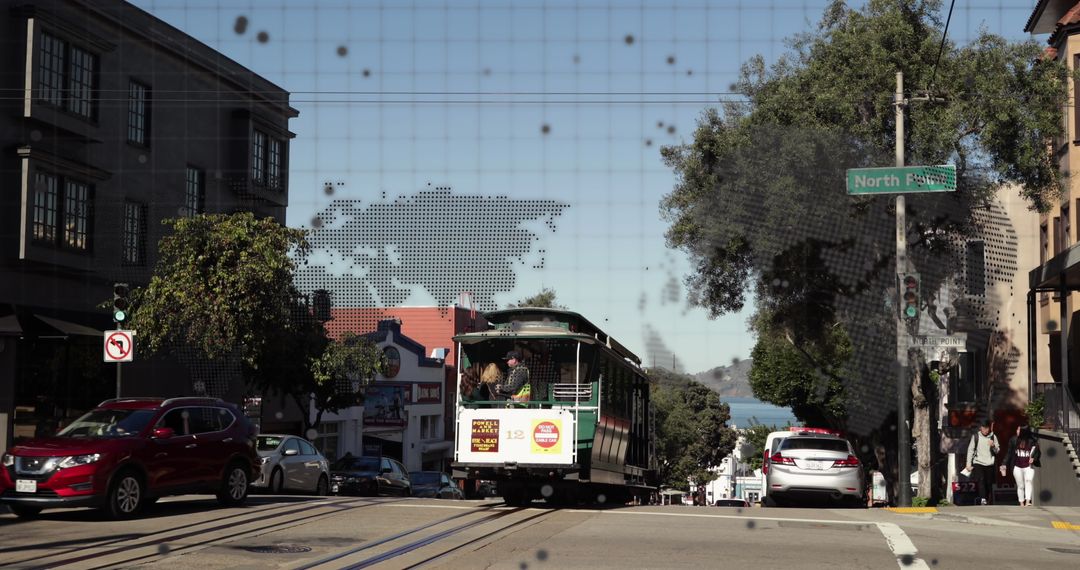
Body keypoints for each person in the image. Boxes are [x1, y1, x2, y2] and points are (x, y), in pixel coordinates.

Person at [1002, 425, 1040, 506]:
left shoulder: (1032, 440)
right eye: (1017, 429)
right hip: (1017, 466)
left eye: (1019, 430)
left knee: (1029, 481)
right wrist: (1004, 464)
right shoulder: (1014, 440)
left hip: (1028, 466)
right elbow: (1009, 453)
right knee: (1020, 485)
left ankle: (1028, 501)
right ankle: (1021, 503)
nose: (1017, 431)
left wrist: (1034, 458)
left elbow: (1037, 452)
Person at [966, 420, 1000, 505]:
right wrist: (968, 464)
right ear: (980, 428)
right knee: (981, 480)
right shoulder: (976, 436)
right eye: (983, 428)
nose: (985, 430)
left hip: (989, 463)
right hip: (978, 462)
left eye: (987, 428)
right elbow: (970, 450)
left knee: (988, 483)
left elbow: (997, 451)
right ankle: (983, 499)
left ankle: (988, 497)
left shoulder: (993, 437)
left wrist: (993, 446)